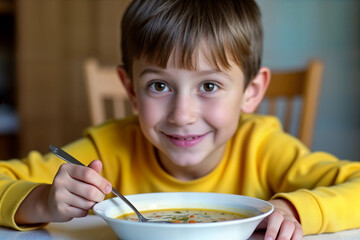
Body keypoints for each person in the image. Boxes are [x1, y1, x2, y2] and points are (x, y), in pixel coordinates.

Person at [1, 0, 360, 239]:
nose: (182, 115)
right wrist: (43, 200)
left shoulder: (264, 148)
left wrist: (294, 208)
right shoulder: (107, 149)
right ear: (130, 90)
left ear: (251, 91)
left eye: (208, 85)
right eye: (159, 85)